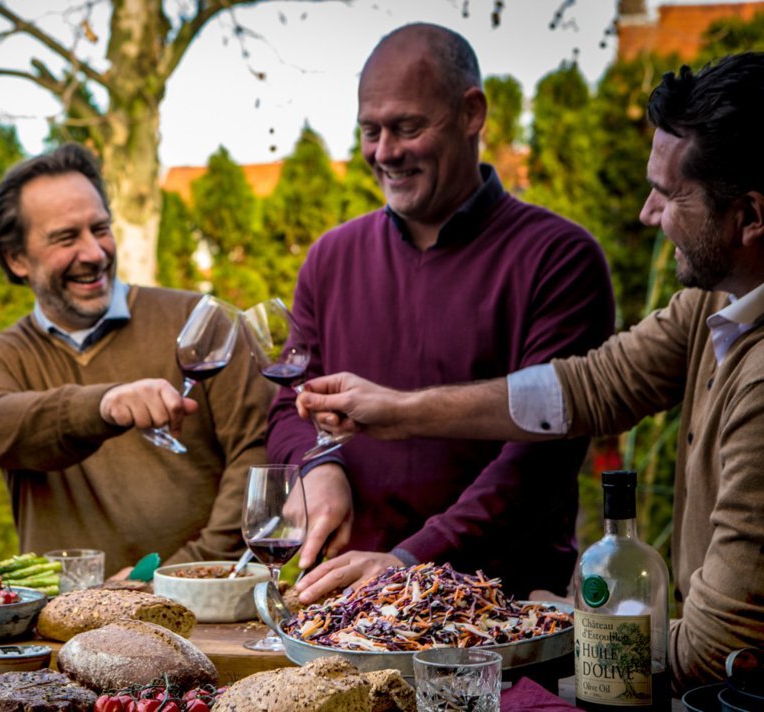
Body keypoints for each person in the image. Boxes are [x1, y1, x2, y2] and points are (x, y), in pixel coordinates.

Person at [295, 51, 764, 695]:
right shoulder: (713, 304)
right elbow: (590, 388)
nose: (647, 214)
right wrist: (398, 410)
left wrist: (547, 621)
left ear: (751, 216)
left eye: (669, 194)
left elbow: (718, 648)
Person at [265, 23, 615, 598]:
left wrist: (411, 561)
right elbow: (290, 402)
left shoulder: (560, 257)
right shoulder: (331, 257)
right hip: (344, 608)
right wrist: (316, 468)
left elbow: (539, 459)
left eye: (407, 127)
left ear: (472, 113)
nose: (384, 152)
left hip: (503, 608)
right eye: (370, 131)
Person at [0, 143, 272, 577]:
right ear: (17, 259)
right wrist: (104, 405)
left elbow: (259, 455)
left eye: (100, 229)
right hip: (61, 614)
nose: (94, 253)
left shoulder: (200, 322)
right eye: (66, 238)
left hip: (209, 605)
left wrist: (179, 576)